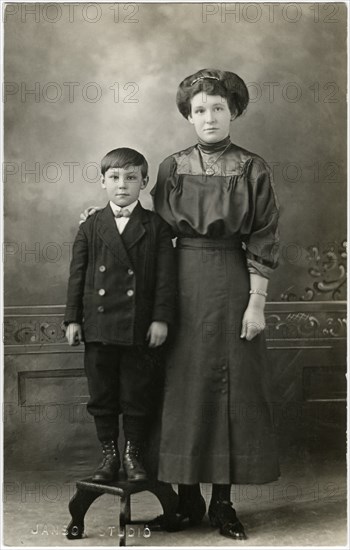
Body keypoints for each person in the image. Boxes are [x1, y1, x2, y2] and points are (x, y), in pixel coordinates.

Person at [147, 68, 280, 540]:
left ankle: (223, 503)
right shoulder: (171, 167)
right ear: (188, 115)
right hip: (178, 283)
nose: (209, 117)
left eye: (218, 108)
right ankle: (186, 501)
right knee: (182, 390)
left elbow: (263, 236)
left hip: (232, 282)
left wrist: (256, 304)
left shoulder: (253, 167)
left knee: (229, 391)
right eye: (199, 109)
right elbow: (157, 234)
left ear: (234, 112)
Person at [64, 147, 176, 483]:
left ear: (143, 182)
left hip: (138, 327)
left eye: (131, 177)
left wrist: (161, 319)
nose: (122, 184)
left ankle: (133, 454)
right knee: (102, 395)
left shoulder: (155, 227)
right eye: (114, 177)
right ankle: (109, 455)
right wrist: (72, 319)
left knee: (136, 394)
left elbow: (165, 280)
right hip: (98, 327)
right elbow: (78, 275)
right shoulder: (90, 225)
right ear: (102, 181)